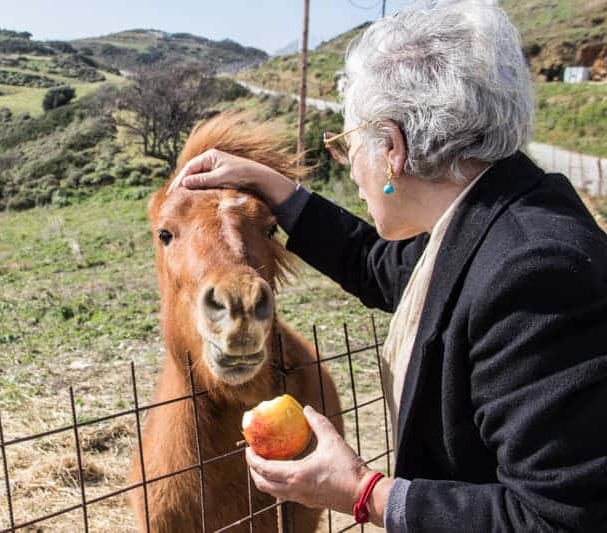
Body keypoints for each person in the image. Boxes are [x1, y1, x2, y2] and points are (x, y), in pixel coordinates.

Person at [167, 0, 607, 530]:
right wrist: (277, 191)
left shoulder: (533, 274)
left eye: (348, 144)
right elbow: (382, 266)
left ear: (392, 147)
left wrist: (361, 492)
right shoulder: (499, 216)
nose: (350, 166)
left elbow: (559, 521)